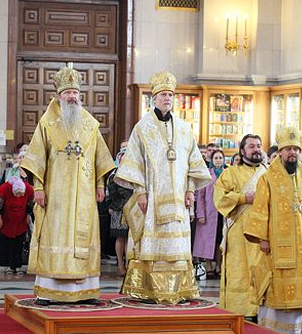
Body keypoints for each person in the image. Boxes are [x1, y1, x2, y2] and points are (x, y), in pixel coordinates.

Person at [114, 71, 210, 304]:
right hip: (153, 198)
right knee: (153, 245)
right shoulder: (142, 127)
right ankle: (150, 290)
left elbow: (192, 162)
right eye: (163, 95)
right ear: (154, 98)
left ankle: (179, 290)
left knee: (177, 246)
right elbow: (134, 162)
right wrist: (140, 192)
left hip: (179, 199)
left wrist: (190, 190)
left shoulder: (184, 128)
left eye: (170, 95)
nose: (167, 98)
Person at [20, 66, 114, 305]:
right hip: (56, 195)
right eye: (68, 92)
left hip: (84, 195)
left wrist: (100, 184)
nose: (72, 96)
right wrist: (38, 188)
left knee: (84, 237)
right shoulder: (47, 123)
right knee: (55, 236)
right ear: (59, 95)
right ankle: (48, 291)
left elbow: (99, 157)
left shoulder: (90, 124)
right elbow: (37, 158)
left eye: (75, 92)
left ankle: (87, 291)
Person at [244, 126, 302, 334]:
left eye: (296, 149)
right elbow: (261, 209)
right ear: (280, 152)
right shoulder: (268, 178)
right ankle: (277, 329)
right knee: (279, 287)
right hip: (277, 246)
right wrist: (262, 238)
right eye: (288, 149)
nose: (292, 153)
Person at [213, 134, 268, 319]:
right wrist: (244, 198)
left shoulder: (268, 173)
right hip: (238, 232)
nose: (256, 149)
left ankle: (260, 309)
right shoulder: (231, 173)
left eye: (258, 145)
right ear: (242, 151)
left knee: (261, 270)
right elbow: (219, 198)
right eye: (251, 146)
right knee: (239, 271)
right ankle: (238, 309)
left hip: (263, 233)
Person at [0, 175, 34, 275]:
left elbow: (30, 203)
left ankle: (17, 265)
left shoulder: (28, 189)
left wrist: (28, 215)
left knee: (18, 243)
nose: (19, 196)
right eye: (17, 194)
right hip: (7, 219)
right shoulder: (5, 188)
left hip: (21, 220)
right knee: (7, 242)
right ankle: (8, 265)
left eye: (21, 195)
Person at [193, 149, 226, 278]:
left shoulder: (227, 173)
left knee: (220, 240)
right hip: (209, 213)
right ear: (212, 160)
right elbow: (200, 196)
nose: (218, 160)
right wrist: (200, 214)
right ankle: (208, 266)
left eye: (220, 158)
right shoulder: (207, 174)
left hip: (223, 212)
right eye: (216, 158)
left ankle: (219, 265)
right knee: (207, 240)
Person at [108, 144, 133, 277]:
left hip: (133, 209)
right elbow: (113, 194)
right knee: (121, 237)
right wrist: (124, 205)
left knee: (131, 237)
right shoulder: (114, 174)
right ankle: (120, 264)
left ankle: (129, 264)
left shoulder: (134, 173)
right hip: (119, 209)